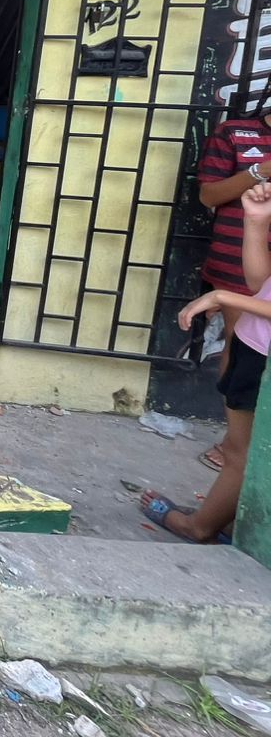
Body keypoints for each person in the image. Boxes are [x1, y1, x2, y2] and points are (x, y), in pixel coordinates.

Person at [139, 180, 271, 542]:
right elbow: (263, 284)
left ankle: (198, 527)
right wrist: (257, 222)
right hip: (253, 348)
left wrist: (225, 296)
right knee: (239, 451)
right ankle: (227, 517)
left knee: (242, 455)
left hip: (263, 361)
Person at [194, 112, 271, 470]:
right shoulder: (235, 133)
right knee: (242, 344)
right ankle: (233, 443)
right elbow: (208, 195)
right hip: (240, 258)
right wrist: (259, 172)